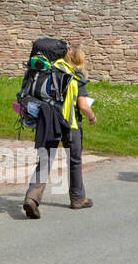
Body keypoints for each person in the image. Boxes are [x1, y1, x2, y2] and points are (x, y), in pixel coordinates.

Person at [24, 45, 97, 218]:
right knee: (74, 160)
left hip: (48, 121)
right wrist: (92, 117)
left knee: (45, 159)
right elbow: (83, 106)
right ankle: (78, 199)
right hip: (69, 125)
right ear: (80, 60)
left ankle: (32, 198)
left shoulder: (50, 70)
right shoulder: (76, 76)